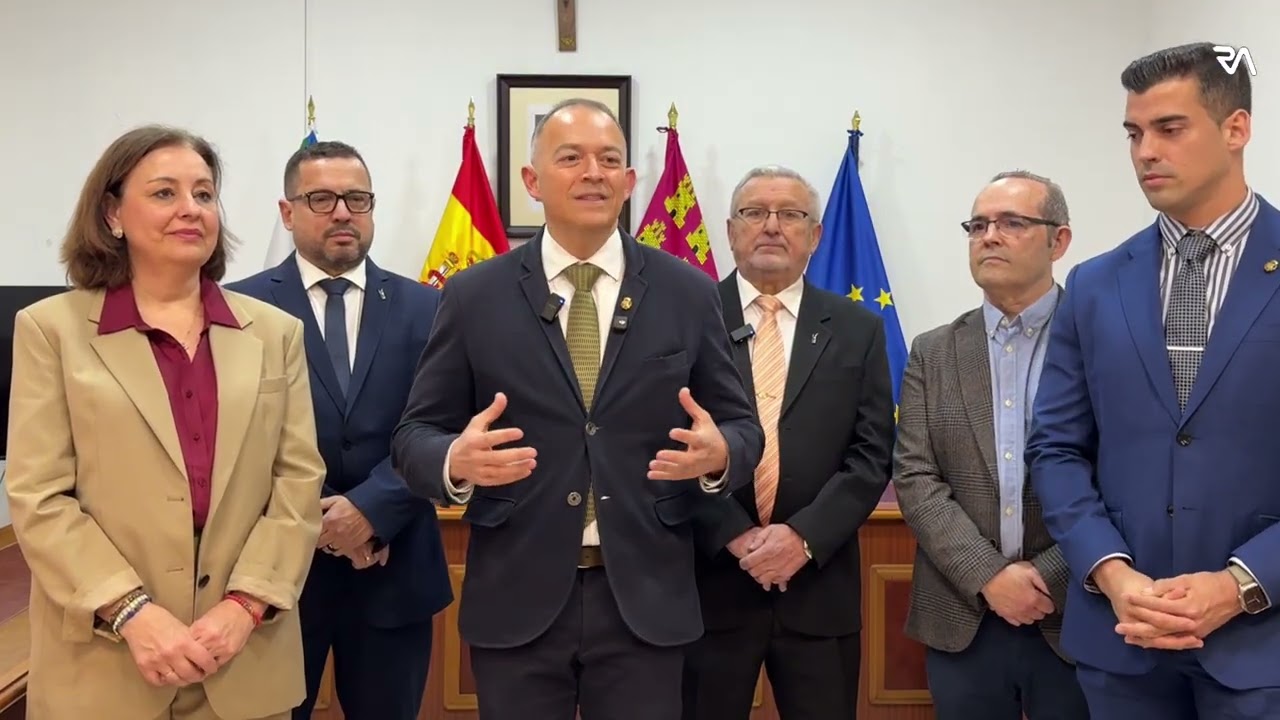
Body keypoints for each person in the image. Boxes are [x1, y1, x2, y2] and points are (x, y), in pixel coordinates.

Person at [390, 98, 764, 720]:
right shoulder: (472, 295)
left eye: (609, 159)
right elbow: (413, 436)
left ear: (628, 182)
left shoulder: (688, 292)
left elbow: (741, 426)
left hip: (646, 597)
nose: (593, 172)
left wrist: (721, 453)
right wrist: (455, 459)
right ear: (532, 182)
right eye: (571, 158)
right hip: (517, 596)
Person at [4, 125, 325, 720]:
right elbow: (39, 495)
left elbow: (298, 484)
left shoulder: (276, 333)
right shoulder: (51, 330)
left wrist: (245, 605)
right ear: (112, 214)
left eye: (204, 194)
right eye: (163, 193)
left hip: (243, 658)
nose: (190, 209)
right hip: (106, 662)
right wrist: (131, 612)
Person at [1026, 42, 1280, 718]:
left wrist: (1242, 584)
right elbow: (1056, 449)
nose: (1144, 151)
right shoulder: (1095, 283)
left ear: (1236, 129)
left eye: (1170, 129)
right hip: (1121, 643)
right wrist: (1110, 571)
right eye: (1134, 133)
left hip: (1265, 646)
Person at [226, 140, 451, 719]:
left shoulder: (429, 308)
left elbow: (443, 424)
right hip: (273, 582)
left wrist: (372, 510)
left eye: (357, 198)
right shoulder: (237, 309)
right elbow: (231, 440)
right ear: (287, 211)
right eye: (321, 198)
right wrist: (319, 523)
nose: (343, 212)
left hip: (394, 567)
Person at [679, 166, 894, 720]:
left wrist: (800, 540)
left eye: (791, 215)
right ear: (730, 230)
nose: (772, 226)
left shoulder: (858, 328)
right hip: (709, 585)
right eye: (755, 213)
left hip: (818, 589)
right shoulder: (683, 321)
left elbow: (871, 457)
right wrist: (735, 535)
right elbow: (664, 444)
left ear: (815, 235)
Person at [892, 171, 1088, 719]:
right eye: (978, 225)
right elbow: (915, 477)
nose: (989, 236)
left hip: (1074, 610)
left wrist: (1046, 576)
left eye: (1012, 223)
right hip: (962, 615)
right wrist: (989, 575)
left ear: (1059, 240)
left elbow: (1122, 477)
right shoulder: (933, 351)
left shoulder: (1102, 339)